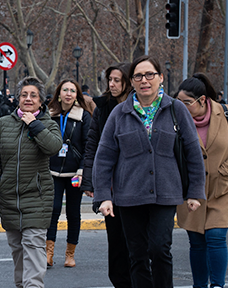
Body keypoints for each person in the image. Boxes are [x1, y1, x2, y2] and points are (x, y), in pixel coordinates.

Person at [93, 55, 206, 288]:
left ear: (160, 78)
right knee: (137, 255)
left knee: (160, 248)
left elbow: (193, 153)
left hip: (165, 193)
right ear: (132, 82)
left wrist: (195, 191)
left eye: (150, 75)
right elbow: (104, 157)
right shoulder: (119, 114)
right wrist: (103, 196)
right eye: (138, 76)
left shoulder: (176, 110)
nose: (144, 80)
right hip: (129, 196)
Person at [0, 76, 62, 287]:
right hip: (9, 198)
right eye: (24, 95)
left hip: (36, 198)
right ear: (17, 98)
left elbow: (54, 147)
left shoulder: (48, 124)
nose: (28, 99)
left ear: (41, 100)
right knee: (18, 250)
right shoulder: (3, 123)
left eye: (33, 95)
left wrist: (34, 125)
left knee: (34, 247)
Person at [81, 62, 133, 287]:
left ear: (127, 82)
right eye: (109, 80)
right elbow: (93, 145)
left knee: (138, 241)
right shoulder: (102, 107)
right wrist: (90, 180)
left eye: (116, 80)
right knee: (116, 240)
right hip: (111, 184)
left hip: (136, 181)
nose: (111, 85)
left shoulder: (141, 107)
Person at [175, 73, 228, 288]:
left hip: (221, 189)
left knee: (216, 237)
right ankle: (200, 285)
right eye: (179, 103)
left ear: (202, 100)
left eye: (186, 103)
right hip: (191, 191)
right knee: (196, 241)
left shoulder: (224, 115)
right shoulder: (176, 122)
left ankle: (216, 285)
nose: (182, 107)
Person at [46, 79, 92, 268]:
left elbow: (89, 145)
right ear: (58, 93)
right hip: (52, 171)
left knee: (73, 213)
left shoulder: (84, 116)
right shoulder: (49, 115)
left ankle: (70, 254)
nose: (68, 93)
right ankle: (48, 253)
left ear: (76, 95)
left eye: (72, 90)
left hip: (75, 173)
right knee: (53, 210)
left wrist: (82, 170)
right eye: (65, 90)